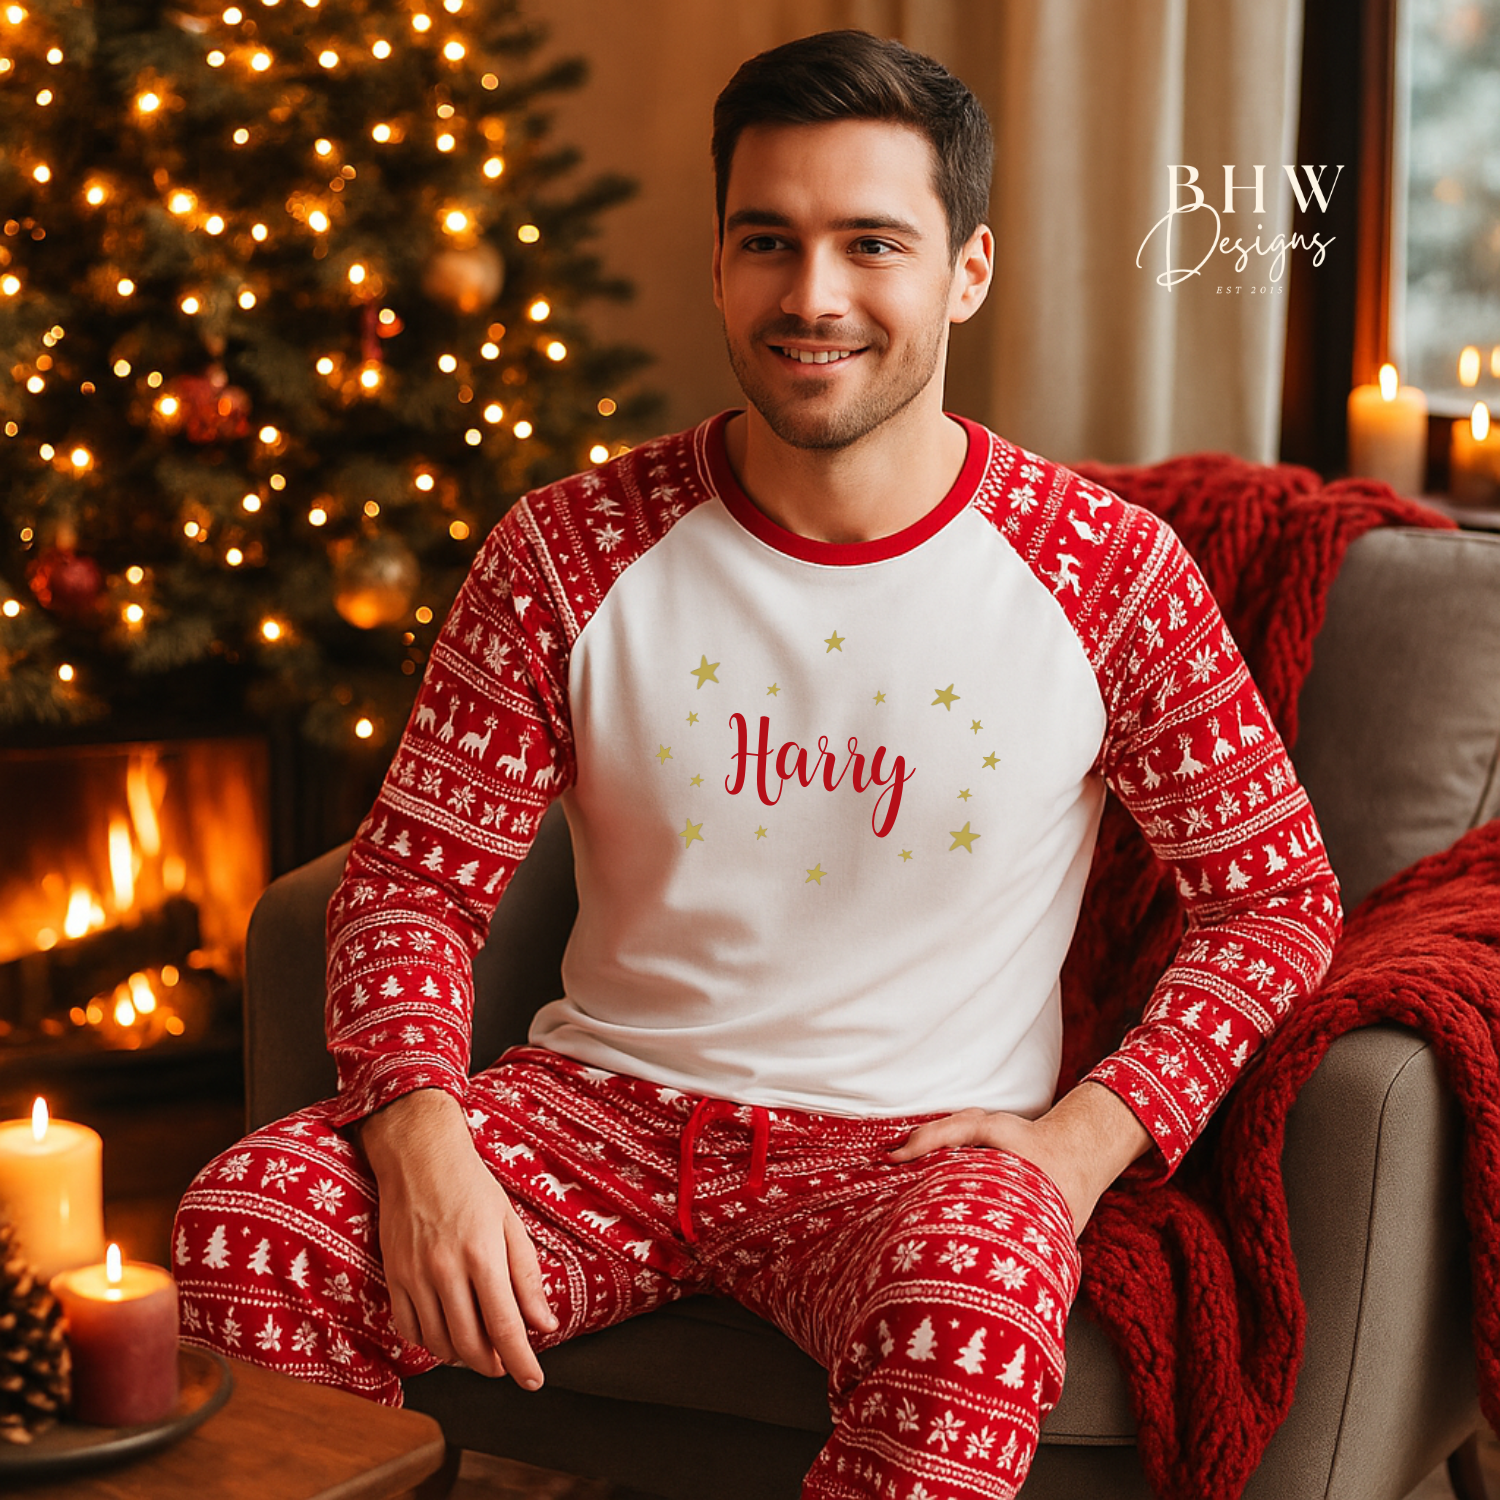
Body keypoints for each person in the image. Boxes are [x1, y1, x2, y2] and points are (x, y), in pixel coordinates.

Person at [174, 30, 1341, 1500]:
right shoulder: (563, 550)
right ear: (720, 264)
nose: (814, 296)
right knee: (252, 1220)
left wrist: (1084, 1143)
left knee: (973, 1304)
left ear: (965, 271)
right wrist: (416, 1130)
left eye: (873, 244)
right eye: (768, 242)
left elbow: (1276, 898)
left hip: (916, 1155)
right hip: (594, 1110)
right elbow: (409, 887)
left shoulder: (1109, 576)